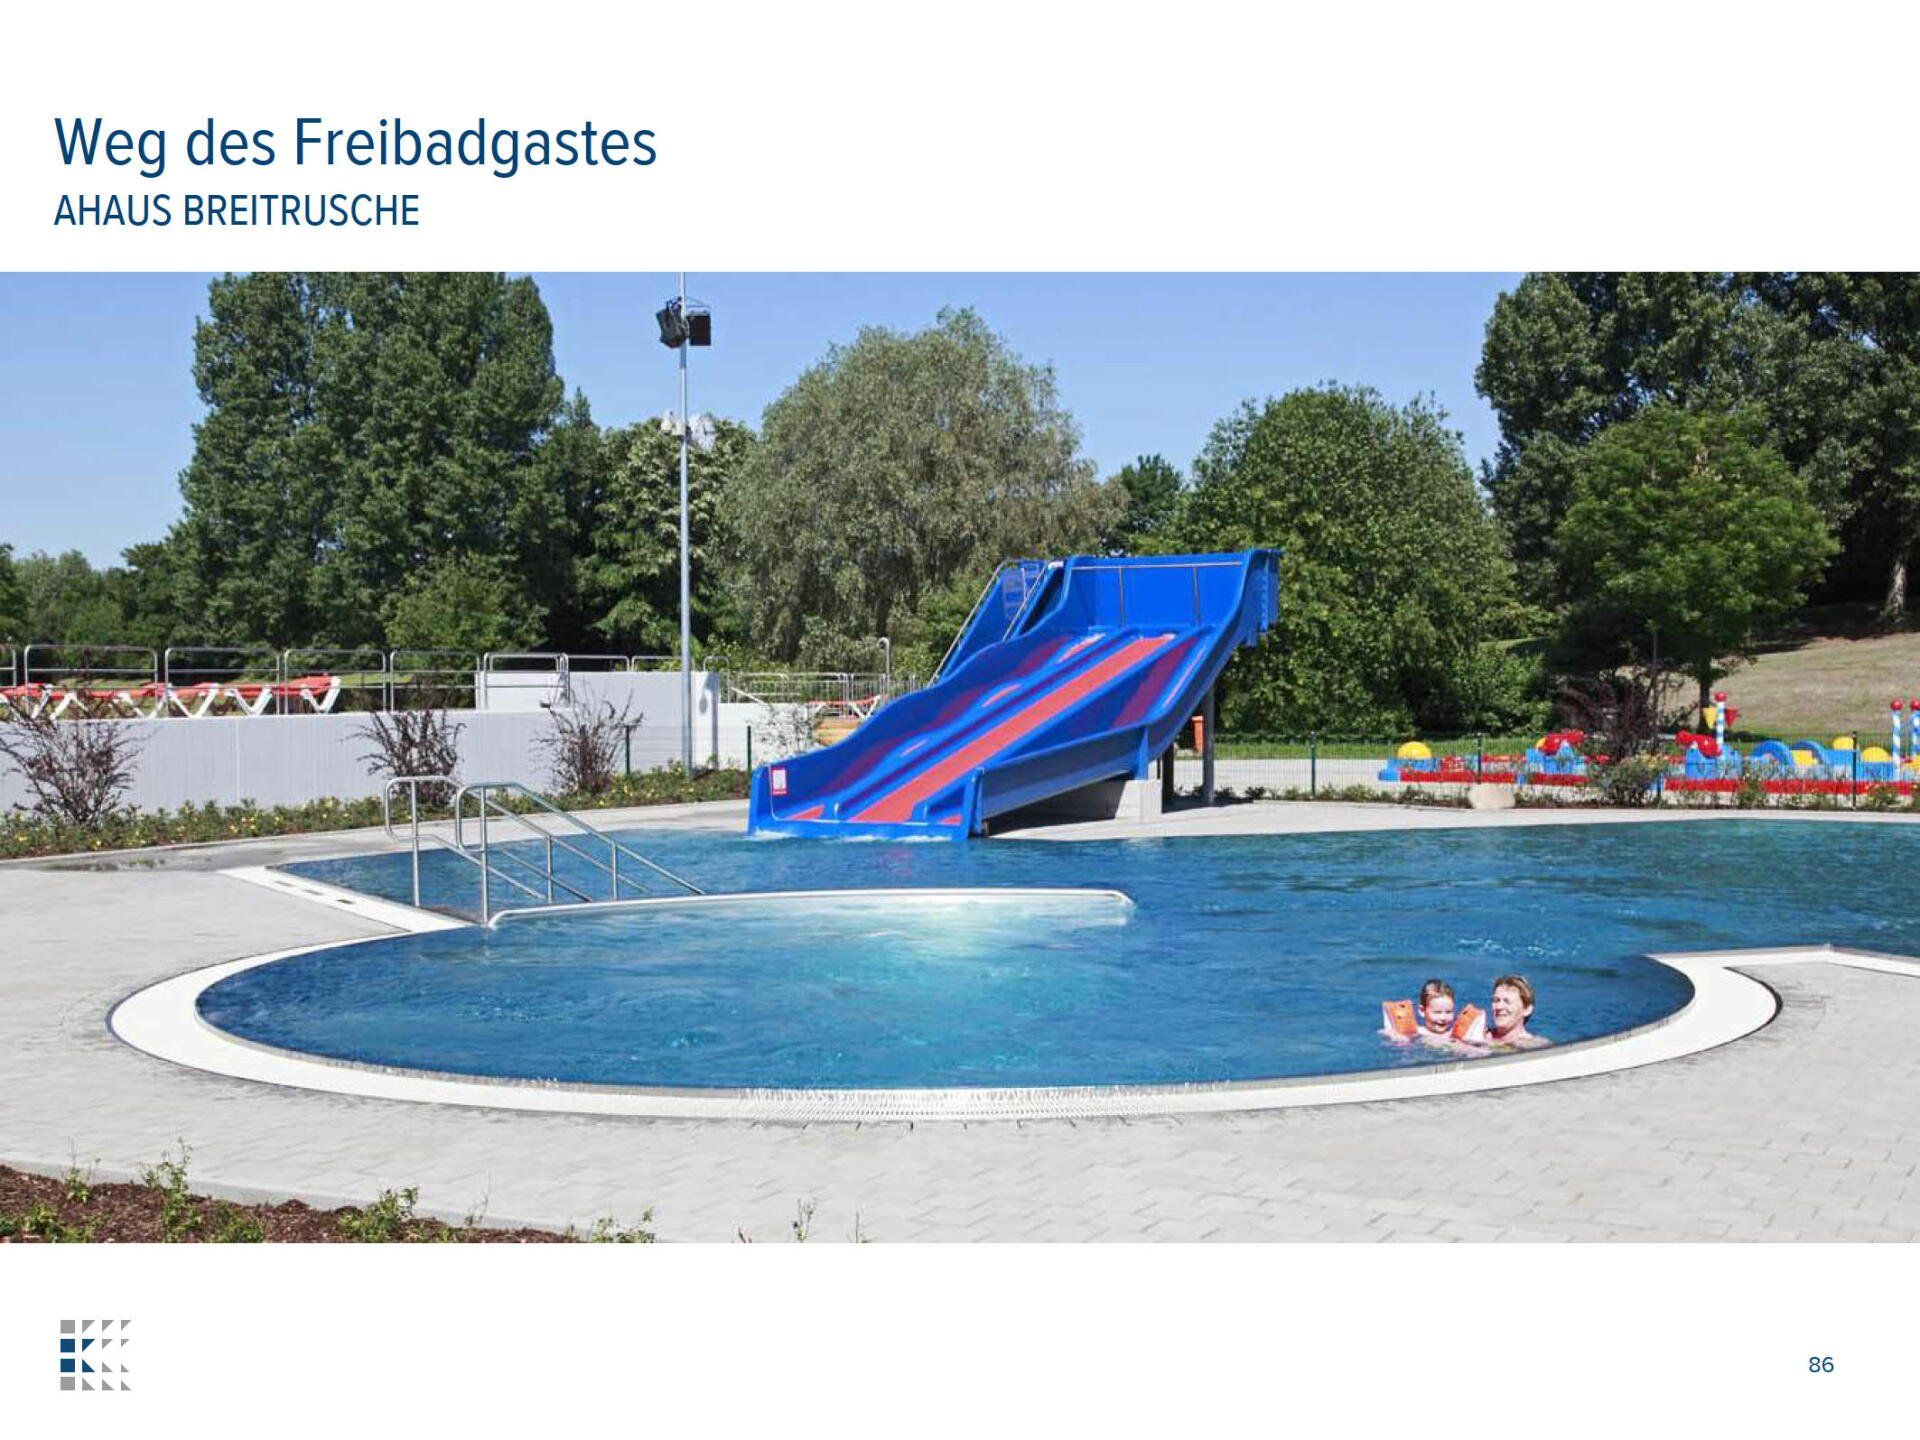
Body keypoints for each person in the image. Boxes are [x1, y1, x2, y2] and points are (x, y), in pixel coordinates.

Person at [1487, 974, 1550, 1049]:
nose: (1499, 1006)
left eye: (1507, 1001)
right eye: (1496, 1000)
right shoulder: (1479, 1034)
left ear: (1527, 1010)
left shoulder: (1537, 1047)